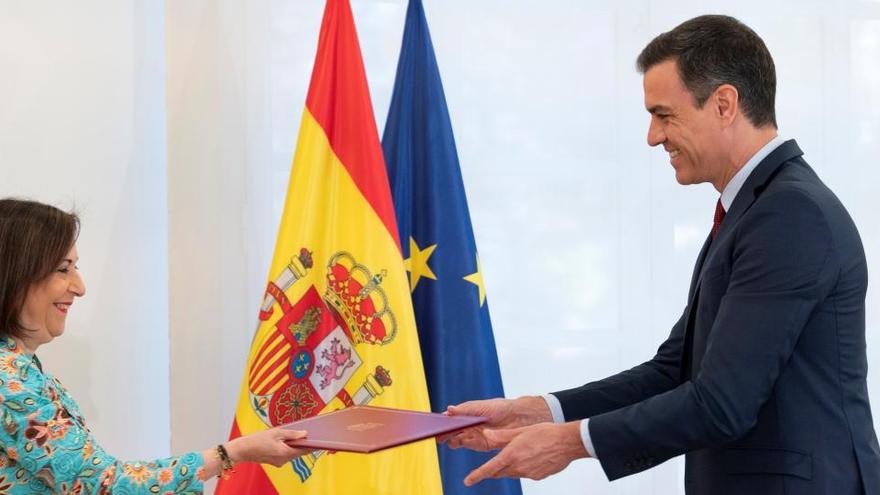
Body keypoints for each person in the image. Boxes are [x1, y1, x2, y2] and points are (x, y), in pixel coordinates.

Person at [445, 14, 880, 494]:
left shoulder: (790, 215)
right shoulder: (754, 208)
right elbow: (675, 370)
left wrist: (568, 442)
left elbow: (721, 404)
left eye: (664, 115)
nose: (653, 136)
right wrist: (538, 410)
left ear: (724, 104)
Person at [0, 198, 309, 494]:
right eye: (64, 269)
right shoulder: (9, 380)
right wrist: (233, 452)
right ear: (17, 275)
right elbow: (103, 485)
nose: (80, 287)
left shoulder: (21, 369)